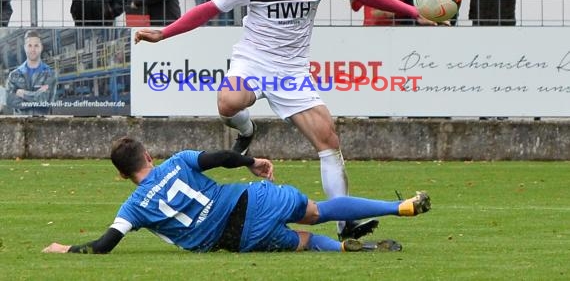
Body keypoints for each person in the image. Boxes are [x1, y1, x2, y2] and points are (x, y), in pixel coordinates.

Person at [135, 0, 434, 241]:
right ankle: (247, 130)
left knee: (329, 141)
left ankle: (344, 226)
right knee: (228, 102)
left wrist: (413, 12)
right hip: (253, 62)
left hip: (291, 74)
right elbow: (209, 9)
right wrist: (165, 32)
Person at [42, 137, 431, 254]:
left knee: (304, 242)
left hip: (236, 238)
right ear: (148, 156)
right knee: (321, 209)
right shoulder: (178, 161)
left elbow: (105, 244)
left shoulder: (133, 206)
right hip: (252, 200)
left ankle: (346, 251)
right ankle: (400, 206)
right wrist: (250, 162)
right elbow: (222, 157)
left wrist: (65, 249)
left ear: (122, 174)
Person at [6, 30, 57, 115]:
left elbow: (44, 100)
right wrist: (36, 97)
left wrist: (23, 93)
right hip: (21, 125)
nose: (33, 49)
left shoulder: (49, 74)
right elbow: (10, 101)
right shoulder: (14, 75)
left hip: (42, 125)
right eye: (29, 45)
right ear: (25, 47)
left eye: (36, 45)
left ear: (41, 47)